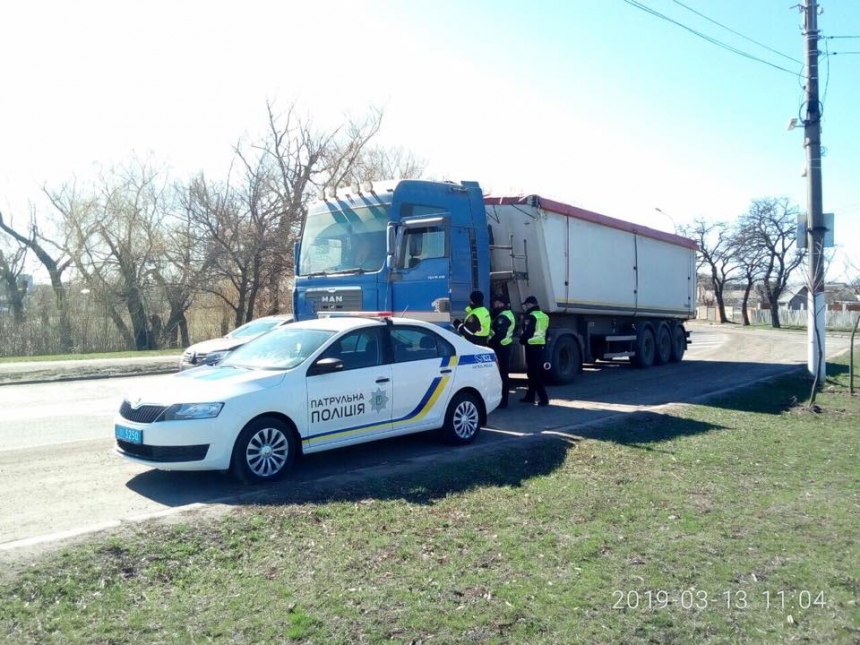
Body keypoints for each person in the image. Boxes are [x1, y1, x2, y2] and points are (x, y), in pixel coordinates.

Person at [519, 295, 549, 406]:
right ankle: (530, 396)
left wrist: (522, 340)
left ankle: (543, 398)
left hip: (531, 347)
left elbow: (528, 332)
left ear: (530, 304)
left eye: (526, 305)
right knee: (533, 373)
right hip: (540, 347)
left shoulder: (530, 316)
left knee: (534, 374)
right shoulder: (544, 316)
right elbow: (546, 333)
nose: (525, 307)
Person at [489, 293, 515, 408]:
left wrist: (489, 343)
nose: (494, 305)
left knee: (502, 375)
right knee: (503, 374)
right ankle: (503, 400)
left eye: (495, 303)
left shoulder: (502, 317)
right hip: (505, 346)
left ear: (500, 303)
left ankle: (503, 401)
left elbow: (500, 335)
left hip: (501, 348)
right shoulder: (508, 314)